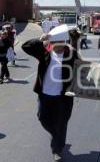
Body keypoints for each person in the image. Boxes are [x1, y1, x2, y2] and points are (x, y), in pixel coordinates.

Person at [22, 25, 79, 162]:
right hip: (44, 95)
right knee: (42, 118)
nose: (53, 46)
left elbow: (83, 66)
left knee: (61, 122)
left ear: (63, 42)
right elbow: (26, 47)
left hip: (62, 97)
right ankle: (56, 136)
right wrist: (40, 40)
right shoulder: (45, 52)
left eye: (56, 43)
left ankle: (57, 150)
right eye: (52, 43)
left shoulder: (70, 54)